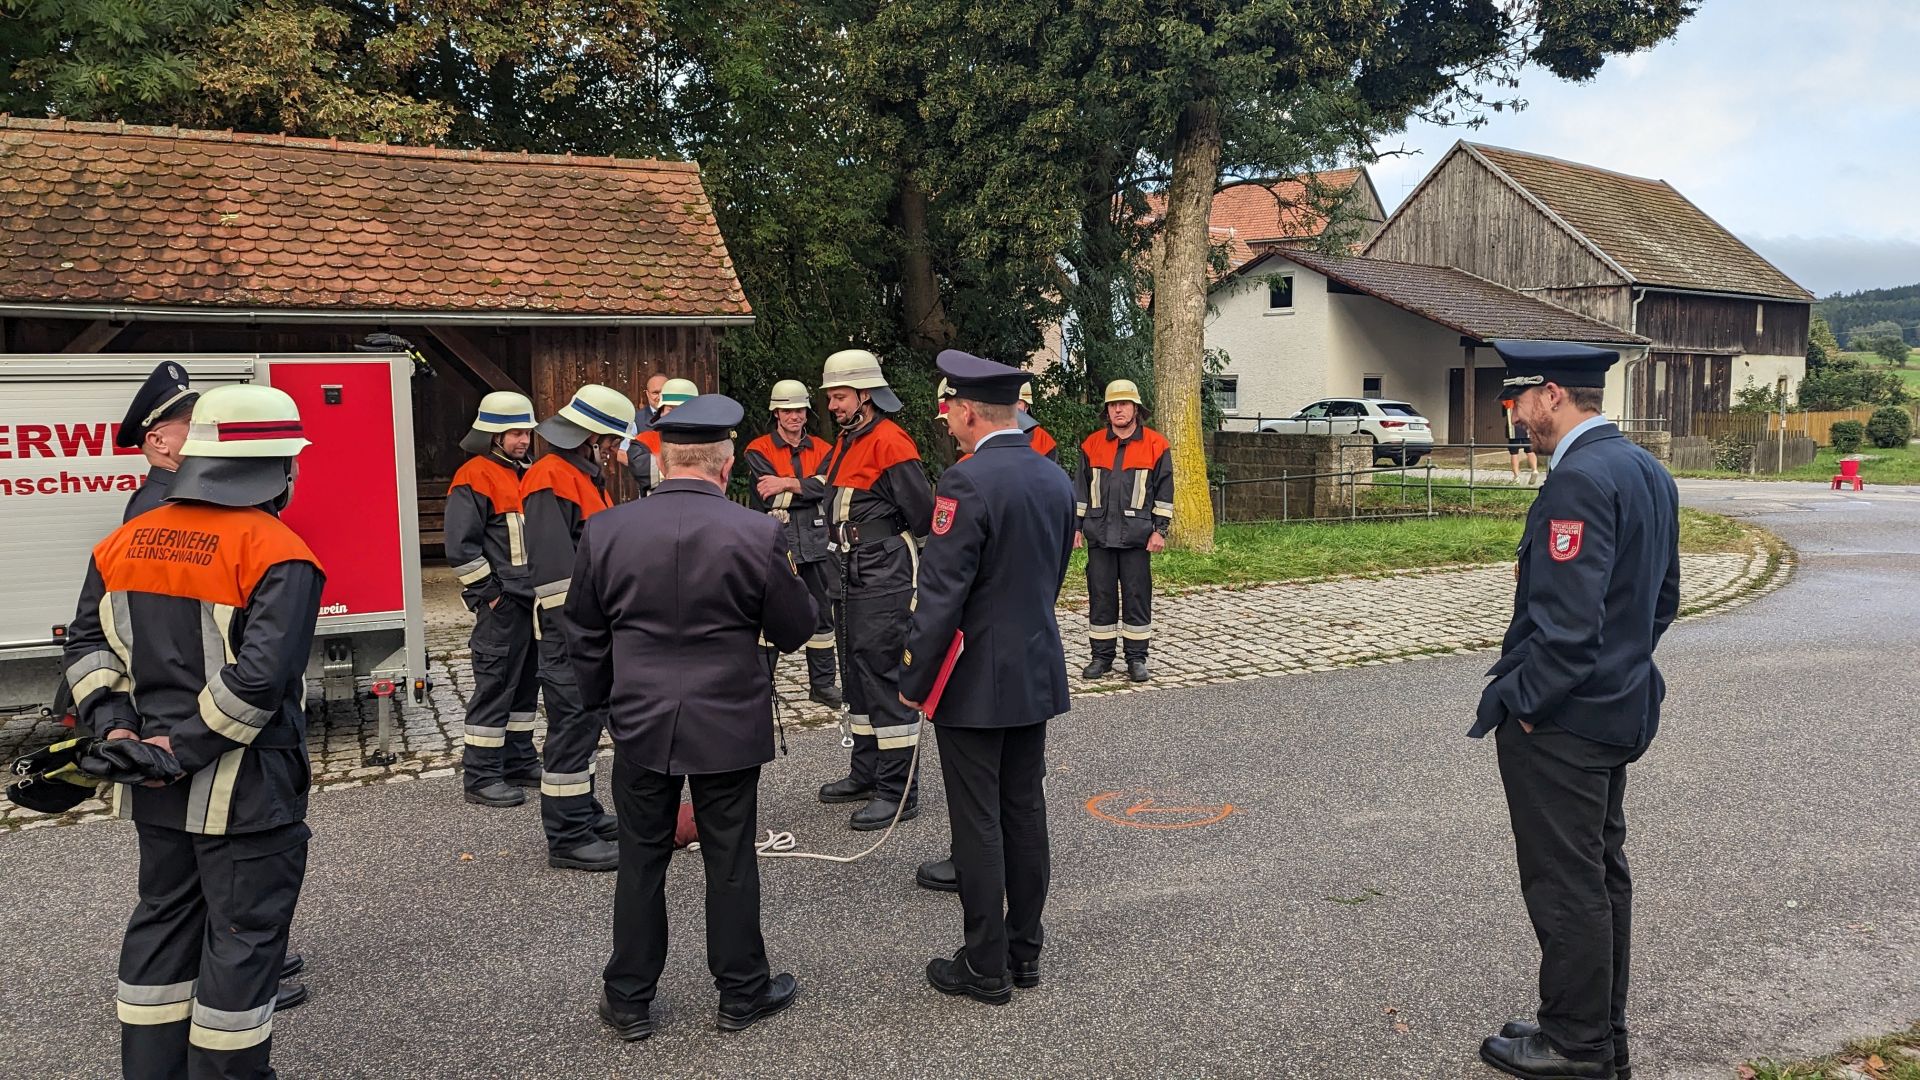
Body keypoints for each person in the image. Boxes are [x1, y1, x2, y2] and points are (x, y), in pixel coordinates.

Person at [64, 384, 325, 1079]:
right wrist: (178, 751)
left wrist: (119, 731)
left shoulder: (122, 541)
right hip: (245, 796)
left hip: (152, 792)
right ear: (281, 468)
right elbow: (261, 683)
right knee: (242, 947)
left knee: (162, 931)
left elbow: (87, 647)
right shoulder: (278, 551)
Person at [567, 395, 818, 1041]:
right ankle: (741, 992)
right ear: (726, 464)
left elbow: (586, 635)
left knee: (641, 859)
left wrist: (602, 703)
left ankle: (628, 1000)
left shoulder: (607, 529)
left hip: (641, 719)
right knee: (730, 859)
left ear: (661, 459)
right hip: (728, 719)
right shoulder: (758, 532)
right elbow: (796, 630)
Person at [1471, 340, 1680, 1080]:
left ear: (1552, 394)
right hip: (1616, 707)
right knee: (1597, 874)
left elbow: (1566, 624)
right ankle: (1596, 1026)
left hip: (1564, 724)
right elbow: (1662, 602)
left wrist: (1528, 703)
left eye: (1517, 400)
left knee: (1566, 883)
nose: (1515, 415)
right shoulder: (1644, 469)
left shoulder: (1579, 480)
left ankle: (1576, 1044)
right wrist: (1621, 668)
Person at [900, 350, 1076, 1005]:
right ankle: (1024, 953)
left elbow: (940, 596)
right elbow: (1051, 577)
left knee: (978, 822)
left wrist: (913, 676)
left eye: (950, 411)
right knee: (1024, 812)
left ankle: (984, 965)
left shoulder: (965, 483)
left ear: (970, 411)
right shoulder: (1054, 477)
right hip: (1033, 666)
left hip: (973, 677)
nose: (946, 422)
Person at [755, 349, 933, 830]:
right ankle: (867, 772)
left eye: (838, 396)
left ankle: (899, 791)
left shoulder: (891, 442)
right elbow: (824, 488)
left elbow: (923, 513)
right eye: (830, 397)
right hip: (851, 569)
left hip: (885, 572)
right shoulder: (848, 441)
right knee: (856, 673)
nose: (831, 405)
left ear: (866, 396)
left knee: (882, 674)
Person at [523, 384, 634, 872]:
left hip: (590, 629)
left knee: (586, 724)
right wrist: (584, 633)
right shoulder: (552, 477)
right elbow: (554, 574)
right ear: (589, 436)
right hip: (572, 631)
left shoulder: (580, 476)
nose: (612, 451)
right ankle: (567, 837)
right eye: (608, 441)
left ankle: (583, 813)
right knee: (570, 728)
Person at [445, 392, 542, 808]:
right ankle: (481, 775)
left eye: (527, 432)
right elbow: (462, 549)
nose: (523, 440)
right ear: (494, 435)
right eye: (516, 433)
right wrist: (490, 597)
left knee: (525, 687)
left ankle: (519, 760)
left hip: (530, 601)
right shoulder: (474, 476)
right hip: (503, 603)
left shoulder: (530, 473)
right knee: (496, 684)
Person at [742, 380, 842, 708]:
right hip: (776, 543)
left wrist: (786, 484)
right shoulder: (757, 449)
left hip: (815, 543)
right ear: (776, 413)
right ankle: (760, 686)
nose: (794, 416)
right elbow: (765, 494)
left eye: (799, 410)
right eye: (787, 410)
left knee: (822, 617)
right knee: (768, 614)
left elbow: (827, 489)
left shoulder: (825, 449)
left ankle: (823, 685)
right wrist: (807, 487)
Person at [1073, 379, 1173, 683]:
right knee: (1100, 596)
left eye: (1124, 404)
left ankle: (1136, 659)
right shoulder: (1091, 444)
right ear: (1107, 411)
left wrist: (1161, 531)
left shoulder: (1157, 444)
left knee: (1136, 596)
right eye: (1113, 405)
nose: (1118, 409)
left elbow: (1165, 491)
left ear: (1135, 409)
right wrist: (1076, 528)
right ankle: (1101, 658)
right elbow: (1080, 490)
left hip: (1137, 537)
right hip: (1099, 536)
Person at [117, 361, 200, 521]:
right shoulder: (164, 506)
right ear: (158, 441)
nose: (206, 429)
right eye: (192, 423)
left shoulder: (179, 493)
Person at [625, 377, 699, 495]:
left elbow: (719, 476)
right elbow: (642, 471)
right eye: (671, 409)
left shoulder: (710, 439)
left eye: (684, 410)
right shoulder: (644, 440)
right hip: (656, 509)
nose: (677, 416)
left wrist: (668, 466)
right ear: (661, 412)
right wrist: (697, 466)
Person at [1016, 381, 1059, 463]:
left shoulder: (1044, 442)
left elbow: (1051, 474)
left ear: (1027, 406)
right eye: (1010, 403)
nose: (1013, 408)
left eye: (1018, 403)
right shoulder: (991, 435)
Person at [1506, 399, 1540, 484]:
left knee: (1514, 453)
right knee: (1530, 450)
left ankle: (1516, 476)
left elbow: (1505, 412)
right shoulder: (1527, 399)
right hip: (1526, 428)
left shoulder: (1508, 400)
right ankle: (1534, 470)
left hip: (1513, 429)